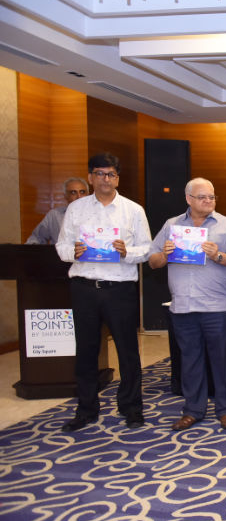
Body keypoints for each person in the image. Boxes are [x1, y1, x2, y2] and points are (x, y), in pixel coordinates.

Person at [55, 153, 152, 432]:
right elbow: (62, 247)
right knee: (86, 351)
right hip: (84, 288)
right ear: (90, 177)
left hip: (119, 289)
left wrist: (126, 251)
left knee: (127, 351)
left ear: (117, 179)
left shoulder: (133, 210)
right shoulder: (76, 209)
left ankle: (131, 408)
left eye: (110, 174)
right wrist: (73, 252)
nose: (105, 179)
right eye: (99, 173)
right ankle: (86, 409)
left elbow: (146, 249)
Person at [148, 178, 226, 431]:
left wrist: (218, 255)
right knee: (190, 360)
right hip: (183, 305)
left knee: (223, 360)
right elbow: (153, 261)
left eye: (212, 197)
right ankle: (193, 410)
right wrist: (165, 254)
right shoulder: (172, 225)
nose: (209, 201)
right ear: (188, 199)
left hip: (216, 306)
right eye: (203, 197)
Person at [26, 177, 89, 244]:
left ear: (88, 195)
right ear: (66, 196)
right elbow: (36, 238)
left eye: (82, 192)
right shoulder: (55, 215)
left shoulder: (96, 214)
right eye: (73, 192)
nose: (79, 196)